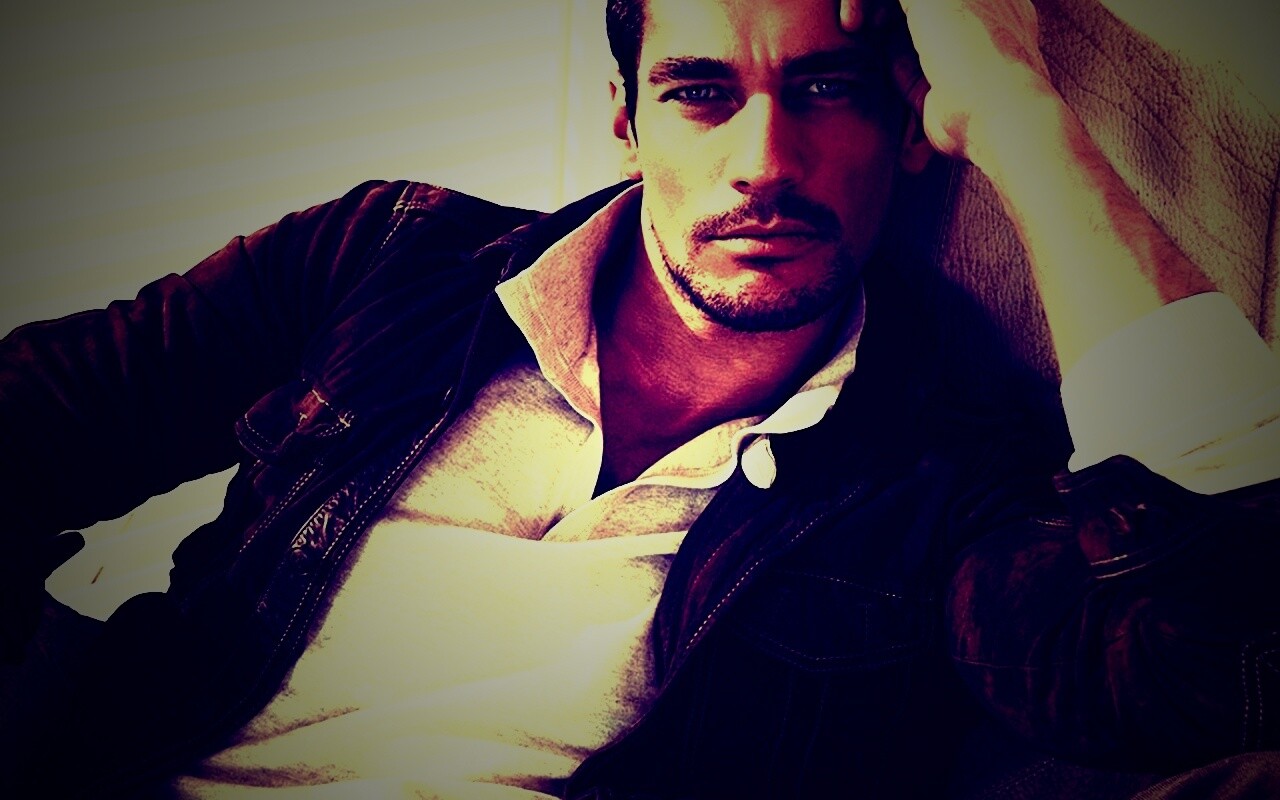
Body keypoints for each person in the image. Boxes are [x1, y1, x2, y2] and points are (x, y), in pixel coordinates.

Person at [2, 0, 1278, 797]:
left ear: (908, 125)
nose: (763, 162)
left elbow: (1215, 663)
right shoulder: (385, 258)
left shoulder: (950, 464)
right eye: (700, 92)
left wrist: (1021, 120)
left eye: (826, 89)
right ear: (625, 116)